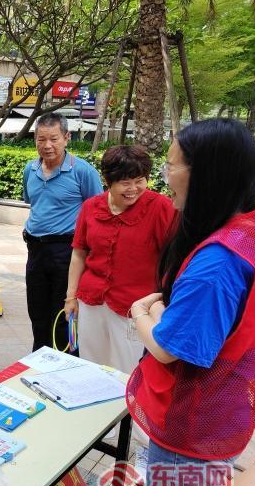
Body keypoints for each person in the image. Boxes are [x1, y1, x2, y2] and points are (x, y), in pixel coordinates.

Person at [126, 119, 255, 486]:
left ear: (206, 175)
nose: (165, 178)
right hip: (224, 410)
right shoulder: (247, 231)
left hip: (192, 427)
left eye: (171, 166)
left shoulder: (216, 265)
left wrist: (140, 312)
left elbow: (169, 348)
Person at [65, 145, 176, 372]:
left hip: (134, 308)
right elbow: (79, 253)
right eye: (125, 183)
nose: (133, 189)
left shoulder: (161, 208)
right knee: (90, 365)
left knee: (127, 370)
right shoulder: (91, 207)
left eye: (140, 180)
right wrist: (71, 297)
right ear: (108, 180)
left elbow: (175, 258)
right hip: (91, 301)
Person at [22, 113, 102, 351]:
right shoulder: (30, 169)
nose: (47, 145)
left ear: (67, 137)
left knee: (62, 312)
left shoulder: (83, 172)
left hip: (66, 251)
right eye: (41, 139)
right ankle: (38, 356)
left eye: (54, 139)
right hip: (35, 249)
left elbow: (97, 213)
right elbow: (33, 203)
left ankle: (62, 360)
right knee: (37, 309)